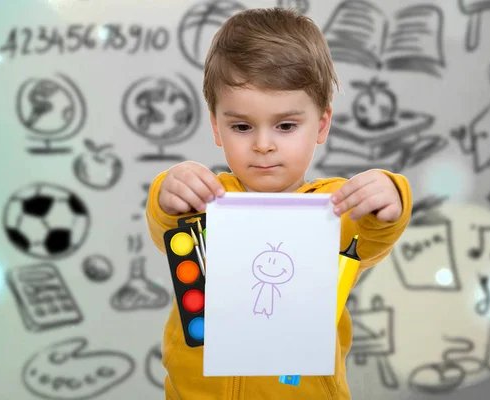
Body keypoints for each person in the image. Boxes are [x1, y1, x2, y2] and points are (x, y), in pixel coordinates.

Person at [145, 7, 412, 400]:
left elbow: (372, 235)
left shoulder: (335, 206)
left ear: (321, 125)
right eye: (241, 126)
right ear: (216, 127)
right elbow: (167, 225)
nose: (263, 144)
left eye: (286, 126)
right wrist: (166, 192)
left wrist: (390, 196)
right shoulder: (207, 198)